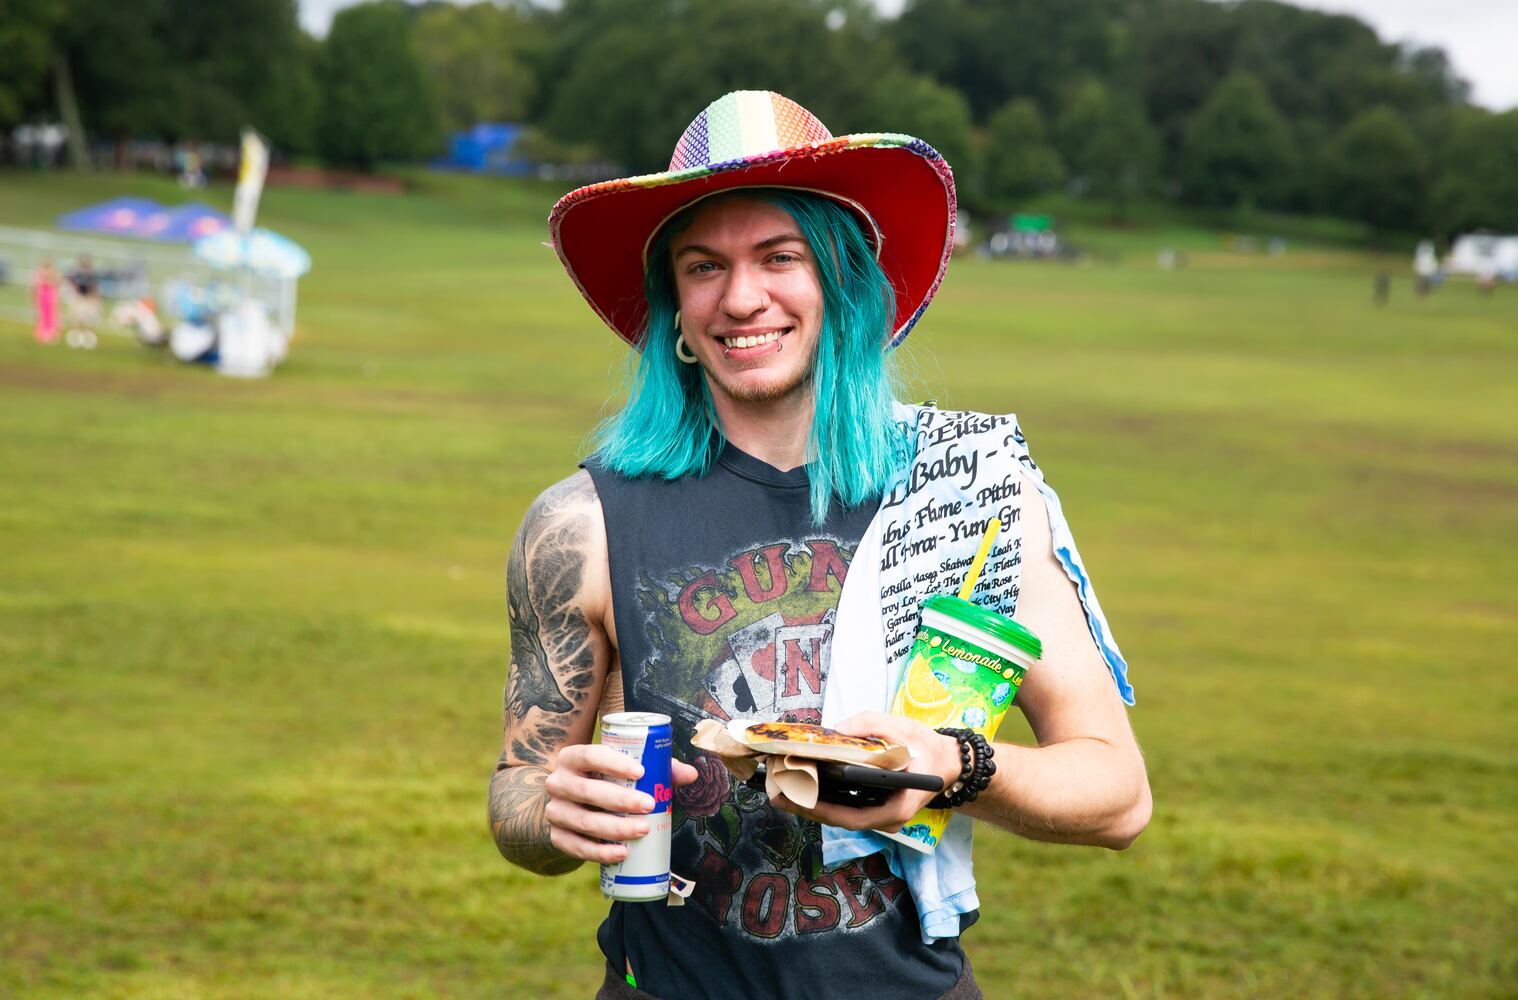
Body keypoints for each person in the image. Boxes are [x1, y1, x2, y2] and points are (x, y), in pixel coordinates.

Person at [489, 91, 1151, 1000]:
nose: (742, 297)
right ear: (675, 309)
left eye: (779, 256)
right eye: (702, 265)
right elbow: (518, 791)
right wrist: (554, 811)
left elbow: (1118, 794)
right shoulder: (580, 524)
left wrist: (951, 766)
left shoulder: (969, 497)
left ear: (840, 280)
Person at [33, 258, 60, 344]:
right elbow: (36, 286)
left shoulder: (52, 273)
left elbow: (56, 283)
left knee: (51, 316)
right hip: (42, 296)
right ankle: (42, 333)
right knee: (42, 315)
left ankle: (51, 334)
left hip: (50, 295)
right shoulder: (40, 272)